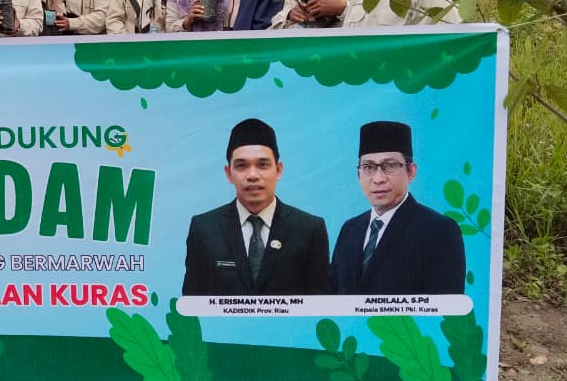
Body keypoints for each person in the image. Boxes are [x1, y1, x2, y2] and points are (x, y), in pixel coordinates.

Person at [182, 118, 330, 295]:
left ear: (279, 170)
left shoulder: (309, 229)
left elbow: (321, 304)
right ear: (229, 174)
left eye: (263, 164)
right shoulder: (204, 228)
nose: (252, 175)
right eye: (242, 166)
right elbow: (192, 304)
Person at [330, 121, 466, 295]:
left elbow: (443, 310)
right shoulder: (350, 230)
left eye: (390, 166)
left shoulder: (439, 231)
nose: (378, 178)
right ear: (358, 175)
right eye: (368, 167)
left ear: (411, 172)